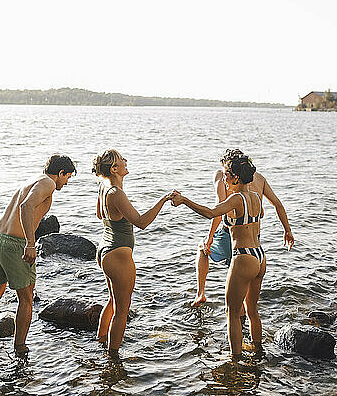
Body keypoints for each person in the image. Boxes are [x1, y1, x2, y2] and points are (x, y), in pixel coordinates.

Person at [172, 152, 293, 359]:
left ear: (235, 177)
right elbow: (266, 211)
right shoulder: (255, 196)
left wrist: (184, 201)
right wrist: (287, 230)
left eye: (227, 174)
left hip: (243, 257)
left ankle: (235, 361)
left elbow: (211, 212)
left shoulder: (237, 198)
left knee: (232, 314)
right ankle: (257, 353)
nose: (224, 178)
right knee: (252, 312)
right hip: (260, 256)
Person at [0, 154, 76, 355]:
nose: (67, 182)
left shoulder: (33, 180)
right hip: (14, 244)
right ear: (60, 172)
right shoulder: (48, 183)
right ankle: (20, 348)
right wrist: (30, 243)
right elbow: (26, 206)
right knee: (26, 298)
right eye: (68, 177)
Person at [93, 149, 176, 356]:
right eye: (122, 160)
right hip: (118, 255)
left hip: (105, 250)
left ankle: (101, 341)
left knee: (113, 301)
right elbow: (141, 222)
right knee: (122, 311)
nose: (126, 161)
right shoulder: (115, 192)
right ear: (114, 169)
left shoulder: (104, 187)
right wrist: (163, 199)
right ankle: (113, 358)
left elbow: (98, 214)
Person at [193, 148, 294, 307]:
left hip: (232, 237)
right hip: (256, 243)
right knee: (249, 306)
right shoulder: (258, 178)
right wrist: (287, 230)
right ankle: (244, 327)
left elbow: (217, 210)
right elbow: (278, 205)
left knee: (202, 248)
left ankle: (200, 293)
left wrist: (210, 237)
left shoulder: (222, 177)